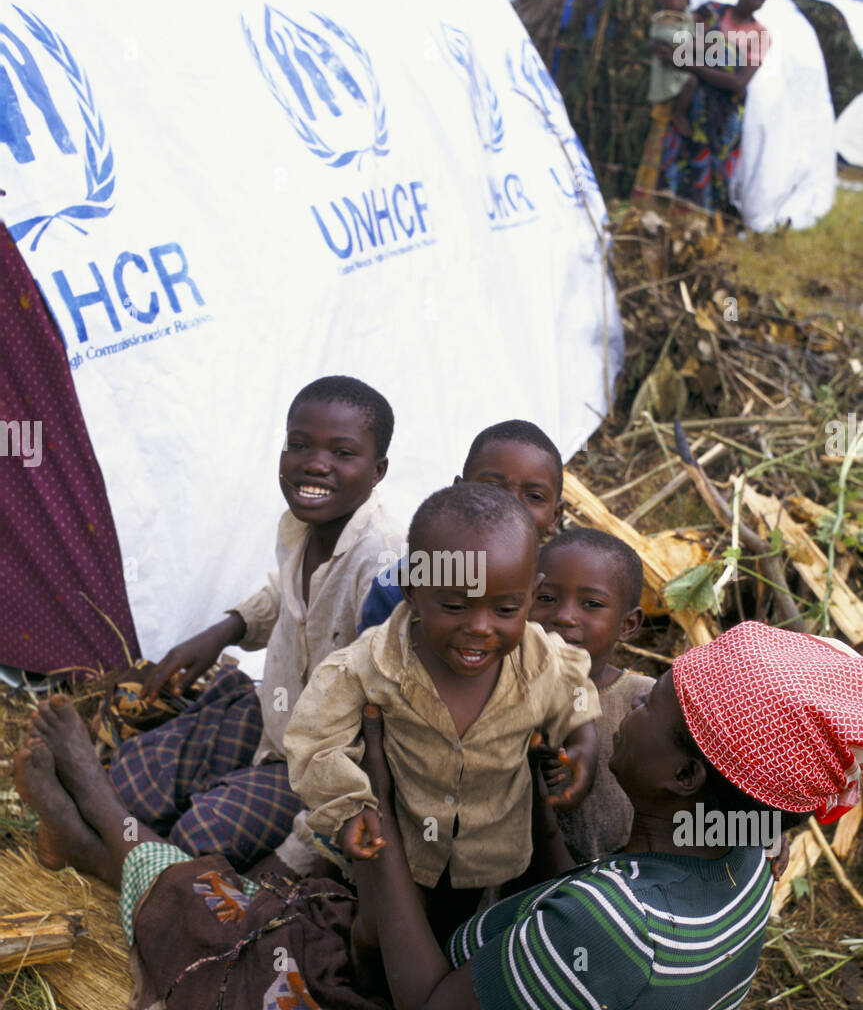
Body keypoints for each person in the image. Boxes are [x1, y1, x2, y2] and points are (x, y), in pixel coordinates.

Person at [16, 621, 860, 1010]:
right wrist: (524, 798)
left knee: (234, 942)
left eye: (650, 706)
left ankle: (106, 829)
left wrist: (377, 808)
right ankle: (109, 839)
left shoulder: (618, 923)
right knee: (320, 914)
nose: (627, 703)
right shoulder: (741, 857)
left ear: (681, 775)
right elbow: (562, 925)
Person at [61, 376, 403, 875]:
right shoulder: (303, 525)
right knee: (130, 779)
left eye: (342, 452)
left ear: (378, 472)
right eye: (299, 445)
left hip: (321, 768)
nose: (314, 463)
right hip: (276, 716)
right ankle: (122, 835)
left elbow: (377, 736)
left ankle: (110, 854)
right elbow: (284, 598)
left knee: (200, 837)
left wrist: (295, 855)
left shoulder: (383, 569)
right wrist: (223, 631)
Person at [283, 483, 600, 957]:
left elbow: (574, 696)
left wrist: (583, 747)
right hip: (397, 846)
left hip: (486, 853)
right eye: (454, 605)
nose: (479, 626)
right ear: (412, 587)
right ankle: (373, 997)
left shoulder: (539, 659)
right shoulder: (369, 664)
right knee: (379, 938)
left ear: (532, 596)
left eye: (506, 609)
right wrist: (350, 806)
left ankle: (424, 1001)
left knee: (453, 935)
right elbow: (315, 740)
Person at [358, 418, 564, 633]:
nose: (510, 505)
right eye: (491, 487)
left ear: (556, 516)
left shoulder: (565, 592)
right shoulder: (401, 589)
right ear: (458, 491)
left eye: (534, 496)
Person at [528, 527, 655, 862]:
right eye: (546, 598)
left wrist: (755, 831)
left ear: (627, 624)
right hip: (518, 893)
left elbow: (706, 785)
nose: (564, 616)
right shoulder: (499, 690)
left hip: (621, 891)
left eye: (591, 604)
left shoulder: (648, 703)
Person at [654, 0, 777, 215]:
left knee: (712, 164)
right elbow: (680, 41)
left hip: (724, 112)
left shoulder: (760, 35)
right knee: (677, 156)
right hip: (688, 100)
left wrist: (690, 66)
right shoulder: (710, 12)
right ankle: (664, 216)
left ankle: (701, 221)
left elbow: (737, 82)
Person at [633, 0, 697, 204]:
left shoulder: (686, 18)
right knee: (659, 138)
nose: (683, 1)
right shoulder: (661, 21)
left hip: (681, 70)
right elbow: (668, 39)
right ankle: (648, 198)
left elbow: (692, 38)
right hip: (670, 80)